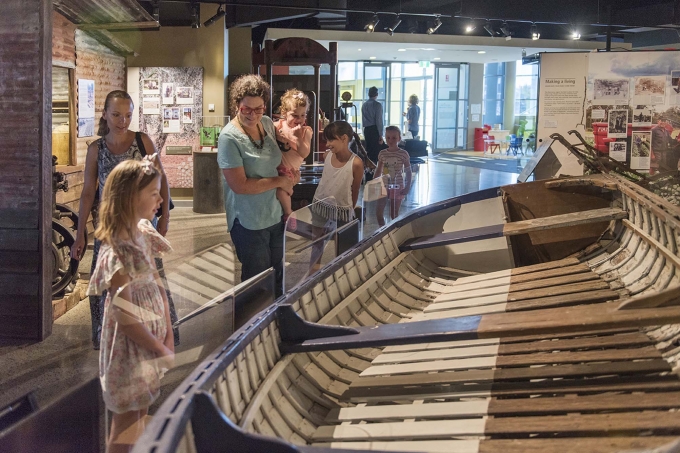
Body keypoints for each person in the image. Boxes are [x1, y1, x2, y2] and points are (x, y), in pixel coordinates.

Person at [70, 90, 177, 350]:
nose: (122, 121)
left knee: (148, 279)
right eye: (116, 115)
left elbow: (160, 179)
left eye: (128, 115)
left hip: (141, 224)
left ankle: (157, 331)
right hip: (109, 227)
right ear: (105, 114)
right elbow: (87, 193)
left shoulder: (142, 141)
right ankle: (107, 334)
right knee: (108, 279)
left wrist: (164, 218)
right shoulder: (97, 149)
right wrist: (81, 232)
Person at [86, 157, 174, 452]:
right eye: (153, 193)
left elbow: (156, 283)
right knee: (124, 430)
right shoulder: (117, 252)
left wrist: (168, 335)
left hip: (149, 345)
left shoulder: (145, 233)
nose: (161, 199)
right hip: (131, 349)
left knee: (140, 417)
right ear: (129, 197)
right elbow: (125, 316)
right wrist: (158, 347)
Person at [217, 75, 294, 297]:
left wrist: (287, 173)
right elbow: (240, 185)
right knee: (257, 281)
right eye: (246, 110)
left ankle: (277, 322)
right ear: (236, 106)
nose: (253, 115)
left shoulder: (267, 123)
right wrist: (279, 181)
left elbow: (276, 159)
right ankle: (254, 328)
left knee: (278, 274)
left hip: (274, 213)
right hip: (248, 220)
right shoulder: (228, 138)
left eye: (259, 109)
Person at [308, 121, 364, 270]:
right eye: (327, 140)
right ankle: (313, 274)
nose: (327, 144)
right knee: (317, 242)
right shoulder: (327, 156)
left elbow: (355, 189)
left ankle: (342, 272)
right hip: (320, 205)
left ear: (344, 138)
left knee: (344, 244)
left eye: (331, 139)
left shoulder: (356, 163)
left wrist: (351, 208)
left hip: (343, 209)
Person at [274, 89, 313, 224]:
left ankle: (288, 213)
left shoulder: (305, 131)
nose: (299, 119)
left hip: (289, 170)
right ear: (284, 113)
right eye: (295, 115)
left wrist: (298, 139)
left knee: (281, 191)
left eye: (303, 115)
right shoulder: (278, 125)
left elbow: (304, 153)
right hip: (275, 166)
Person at [373, 126, 412, 226]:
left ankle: (395, 232)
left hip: (397, 186)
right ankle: (383, 232)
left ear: (399, 138)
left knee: (394, 214)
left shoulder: (403, 154)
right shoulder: (382, 154)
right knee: (379, 213)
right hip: (384, 186)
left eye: (394, 138)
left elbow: (408, 170)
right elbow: (379, 169)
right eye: (388, 137)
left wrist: (408, 186)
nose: (391, 140)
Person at [361, 86, 384, 162]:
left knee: (369, 151)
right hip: (374, 129)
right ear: (377, 94)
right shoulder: (377, 105)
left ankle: (368, 170)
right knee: (375, 152)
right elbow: (379, 120)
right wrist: (381, 134)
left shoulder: (364, 105)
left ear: (368, 94)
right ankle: (374, 170)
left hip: (366, 129)